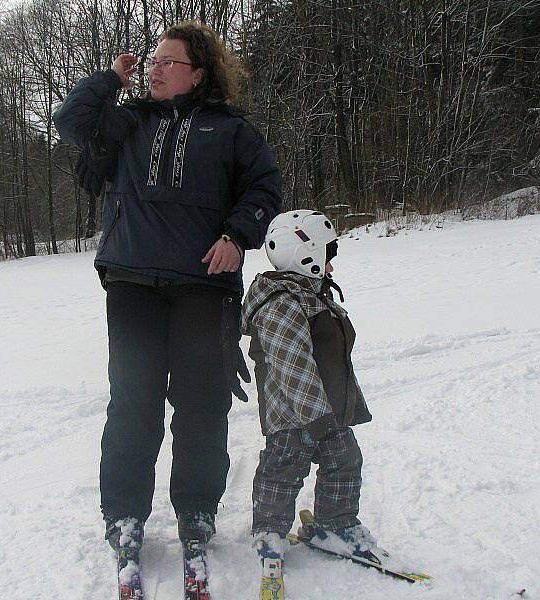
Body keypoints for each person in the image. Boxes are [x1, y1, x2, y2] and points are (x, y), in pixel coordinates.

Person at [52, 21, 282, 562]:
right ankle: (125, 517)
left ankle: (197, 512)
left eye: (167, 62)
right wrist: (111, 78)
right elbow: (70, 122)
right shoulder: (127, 122)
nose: (155, 69)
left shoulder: (231, 131)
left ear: (198, 73)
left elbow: (265, 188)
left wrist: (236, 234)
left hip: (204, 286)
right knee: (133, 403)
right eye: (152, 62)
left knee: (202, 404)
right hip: (132, 281)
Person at [241, 210, 375, 564]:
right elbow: (292, 363)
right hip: (293, 413)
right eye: (327, 256)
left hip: (327, 410)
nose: (331, 266)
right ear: (306, 257)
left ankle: (337, 524)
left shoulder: (312, 293)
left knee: (345, 461)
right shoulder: (281, 302)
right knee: (283, 470)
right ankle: (269, 532)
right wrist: (315, 417)